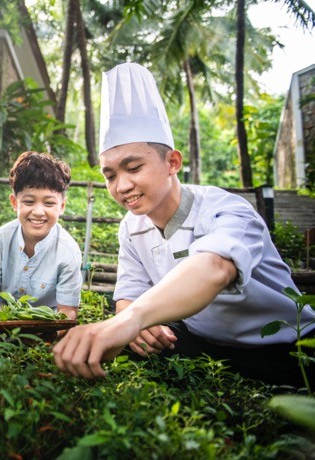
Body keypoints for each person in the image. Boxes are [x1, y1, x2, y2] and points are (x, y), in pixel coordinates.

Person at [53, 62, 315, 387]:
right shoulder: (131, 228)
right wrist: (134, 322)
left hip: (286, 350)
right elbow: (129, 293)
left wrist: (131, 320)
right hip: (203, 346)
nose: (121, 186)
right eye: (110, 175)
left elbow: (215, 268)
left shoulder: (226, 208)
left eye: (133, 167)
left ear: (172, 162)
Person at [0, 151, 83, 342]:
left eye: (49, 203)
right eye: (29, 201)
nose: (38, 212)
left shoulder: (67, 251)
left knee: (63, 343)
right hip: (2, 312)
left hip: (47, 320)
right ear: (14, 202)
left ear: (61, 206)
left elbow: (67, 311)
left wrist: (48, 334)